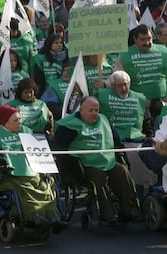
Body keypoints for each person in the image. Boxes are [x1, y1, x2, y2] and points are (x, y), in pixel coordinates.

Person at [54, 96, 140, 224]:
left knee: (122, 171)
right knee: (98, 176)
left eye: (96, 110)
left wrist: (123, 158)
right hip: (83, 164)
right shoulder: (68, 125)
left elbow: (117, 142)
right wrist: (66, 173)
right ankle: (107, 214)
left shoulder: (104, 121)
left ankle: (129, 210)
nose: (94, 113)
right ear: (81, 110)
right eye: (90, 110)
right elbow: (60, 150)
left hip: (107, 161)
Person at [0, 104, 65, 232]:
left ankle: (53, 216)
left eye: (20, 119)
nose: (19, 122)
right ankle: (35, 217)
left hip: (31, 170)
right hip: (6, 174)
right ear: (5, 122)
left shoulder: (26, 131)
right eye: (15, 120)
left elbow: (39, 151)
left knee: (47, 184)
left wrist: (46, 165)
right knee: (25, 189)